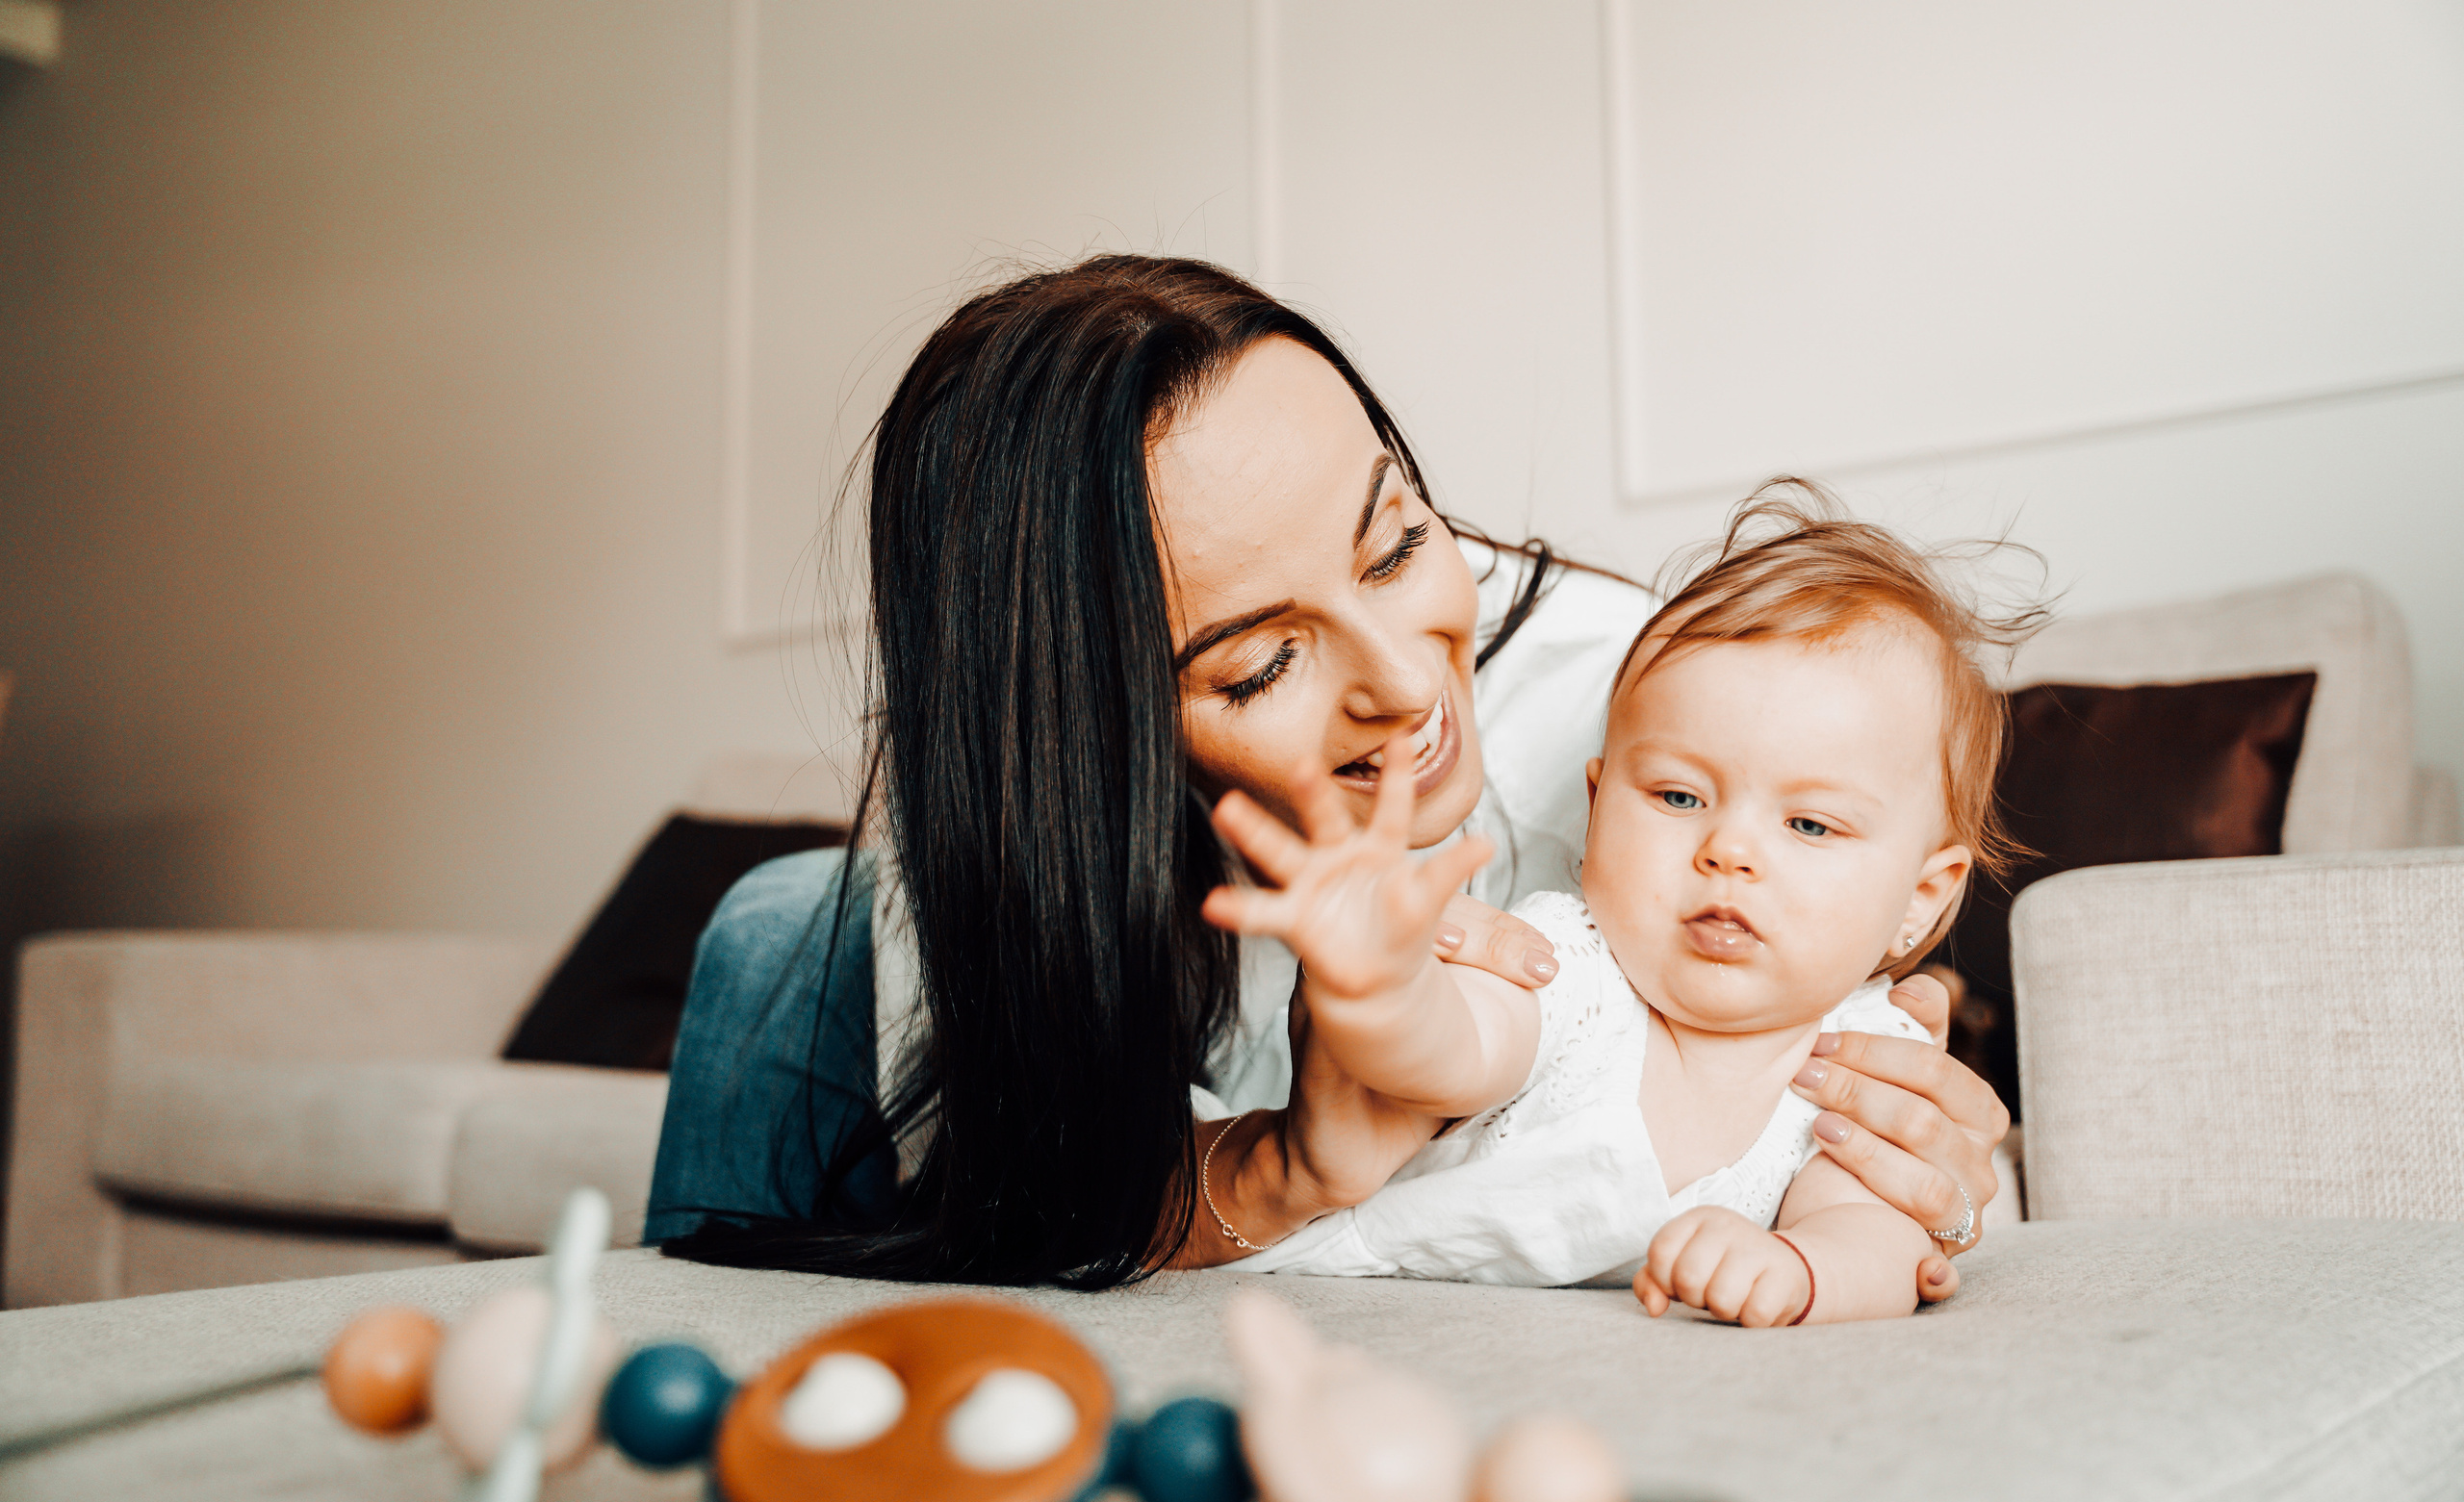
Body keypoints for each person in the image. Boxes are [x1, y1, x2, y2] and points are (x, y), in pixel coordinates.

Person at [644, 255, 2008, 1289]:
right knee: (784, 923)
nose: (1412, 688)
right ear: (1085, 739)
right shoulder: (996, 863)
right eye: (1256, 668)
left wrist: (1896, 1171)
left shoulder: (1651, 728)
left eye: (1399, 542)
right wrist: (1294, 1162)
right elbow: (1024, 1208)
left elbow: (1862, 966)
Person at [1201, 484, 2043, 1324]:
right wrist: (1380, 983)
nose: (1729, 850)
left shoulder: (1862, 1065)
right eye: (1679, 797)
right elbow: (1454, 1049)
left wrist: (1797, 1269)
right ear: (1597, 806)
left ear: (1921, 899)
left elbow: (1875, 1237)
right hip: (1343, 1294)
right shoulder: (1570, 963)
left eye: (1810, 823)